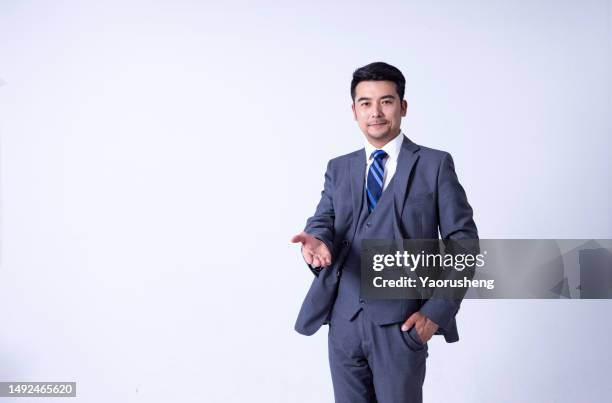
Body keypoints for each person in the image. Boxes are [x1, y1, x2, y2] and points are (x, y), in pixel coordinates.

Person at [291, 61, 479, 403]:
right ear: (354, 111)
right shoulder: (339, 167)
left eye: (386, 101)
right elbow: (325, 220)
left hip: (402, 325)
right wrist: (316, 241)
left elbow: (464, 246)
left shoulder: (434, 165)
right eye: (365, 103)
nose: (375, 112)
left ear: (403, 107)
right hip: (344, 323)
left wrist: (434, 316)